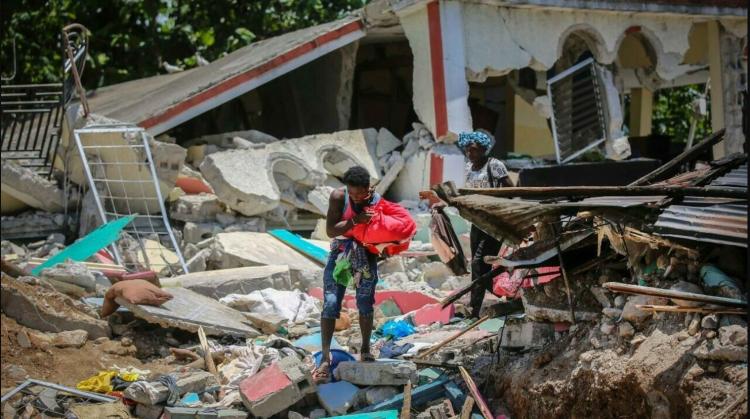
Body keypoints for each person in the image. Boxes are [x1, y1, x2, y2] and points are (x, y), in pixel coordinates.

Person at [429, 131, 512, 319]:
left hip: (492, 223)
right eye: (467, 149)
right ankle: (499, 294)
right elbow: (465, 193)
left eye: (474, 150)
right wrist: (445, 203)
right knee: (479, 264)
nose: (470, 153)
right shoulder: (469, 168)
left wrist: (493, 203)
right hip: (476, 223)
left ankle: (474, 309)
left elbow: (510, 189)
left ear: (484, 149)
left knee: (478, 263)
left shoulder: (495, 165)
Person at [313, 165, 380, 384]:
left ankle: (365, 348)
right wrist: (355, 221)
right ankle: (325, 358)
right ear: (348, 189)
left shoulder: (376, 200)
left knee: (365, 302)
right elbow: (331, 230)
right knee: (331, 303)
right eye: (355, 194)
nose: (360, 197)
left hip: (366, 253)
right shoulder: (338, 197)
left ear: (369, 187)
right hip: (341, 252)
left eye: (363, 193)